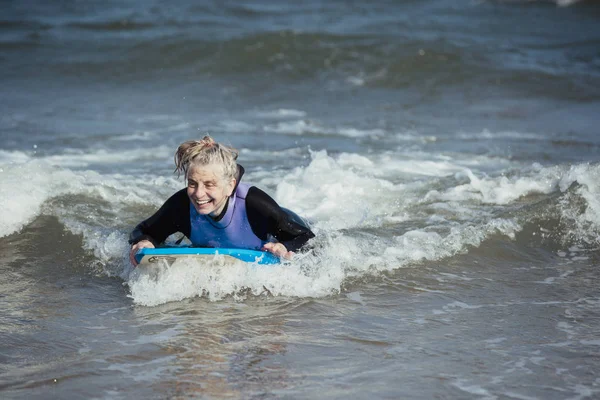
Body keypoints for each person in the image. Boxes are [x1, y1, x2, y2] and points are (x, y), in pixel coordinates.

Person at [128, 136, 315, 266]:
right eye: (192, 183)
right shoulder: (181, 205)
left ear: (230, 185)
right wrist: (145, 241)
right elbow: (144, 230)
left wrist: (284, 246)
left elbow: (304, 236)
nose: (199, 194)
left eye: (209, 184)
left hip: (289, 223)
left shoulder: (254, 204)